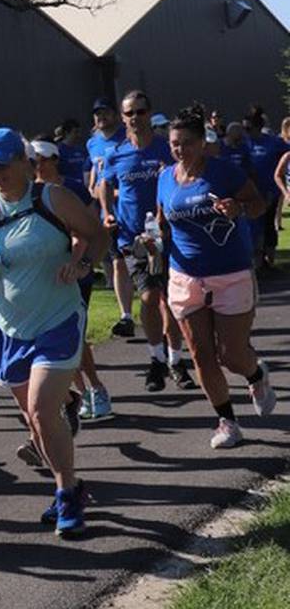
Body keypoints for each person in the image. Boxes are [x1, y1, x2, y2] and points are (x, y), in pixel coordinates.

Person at [0, 128, 109, 537]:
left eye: (3, 164)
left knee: (40, 411)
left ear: (25, 163)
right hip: (11, 330)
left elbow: (96, 234)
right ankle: (67, 487)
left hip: (58, 318)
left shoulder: (50, 198)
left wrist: (82, 265)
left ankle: (69, 494)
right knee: (36, 422)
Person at [159, 111, 276, 448]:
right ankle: (227, 421)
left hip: (230, 272)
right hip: (185, 277)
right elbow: (163, 220)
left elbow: (257, 204)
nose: (180, 150)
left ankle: (256, 375)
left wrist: (238, 209)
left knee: (232, 355)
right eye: (174, 144)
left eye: (187, 144)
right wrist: (152, 238)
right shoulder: (166, 177)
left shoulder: (224, 171)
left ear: (202, 143)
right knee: (201, 355)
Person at [98, 90, 192, 392]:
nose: (135, 118)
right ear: (122, 118)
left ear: (150, 113)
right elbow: (104, 184)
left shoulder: (167, 149)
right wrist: (106, 213)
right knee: (151, 299)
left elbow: (186, 177)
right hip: (134, 238)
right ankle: (156, 358)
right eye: (129, 113)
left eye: (140, 111)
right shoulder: (117, 153)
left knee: (173, 302)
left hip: (170, 236)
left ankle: (176, 361)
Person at [31, 140, 113, 422]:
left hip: (75, 271)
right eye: (33, 160)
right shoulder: (30, 194)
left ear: (55, 159)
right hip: (46, 275)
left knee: (73, 335)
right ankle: (78, 395)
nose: (37, 165)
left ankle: (96, 389)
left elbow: (90, 230)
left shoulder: (72, 189)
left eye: (42, 159)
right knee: (58, 337)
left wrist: (77, 262)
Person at [85, 96, 134, 336]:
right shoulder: (92, 143)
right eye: (97, 114)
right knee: (118, 261)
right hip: (109, 213)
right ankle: (126, 315)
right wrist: (95, 190)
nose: (101, 117)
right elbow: (96, 175)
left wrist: (115, 190)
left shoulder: (125, 140)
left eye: (105, 113)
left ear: (115, 116)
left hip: (132, 209)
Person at [242, 105, 287, 272]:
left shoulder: (273, 143)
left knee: (268, 224)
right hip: (249, 192)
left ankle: (270, 259)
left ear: (257, 127)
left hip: (269, 191)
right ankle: (256, 260)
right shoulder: (244, 143)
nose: (246, 132)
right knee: (252, 224)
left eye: (248, 128)